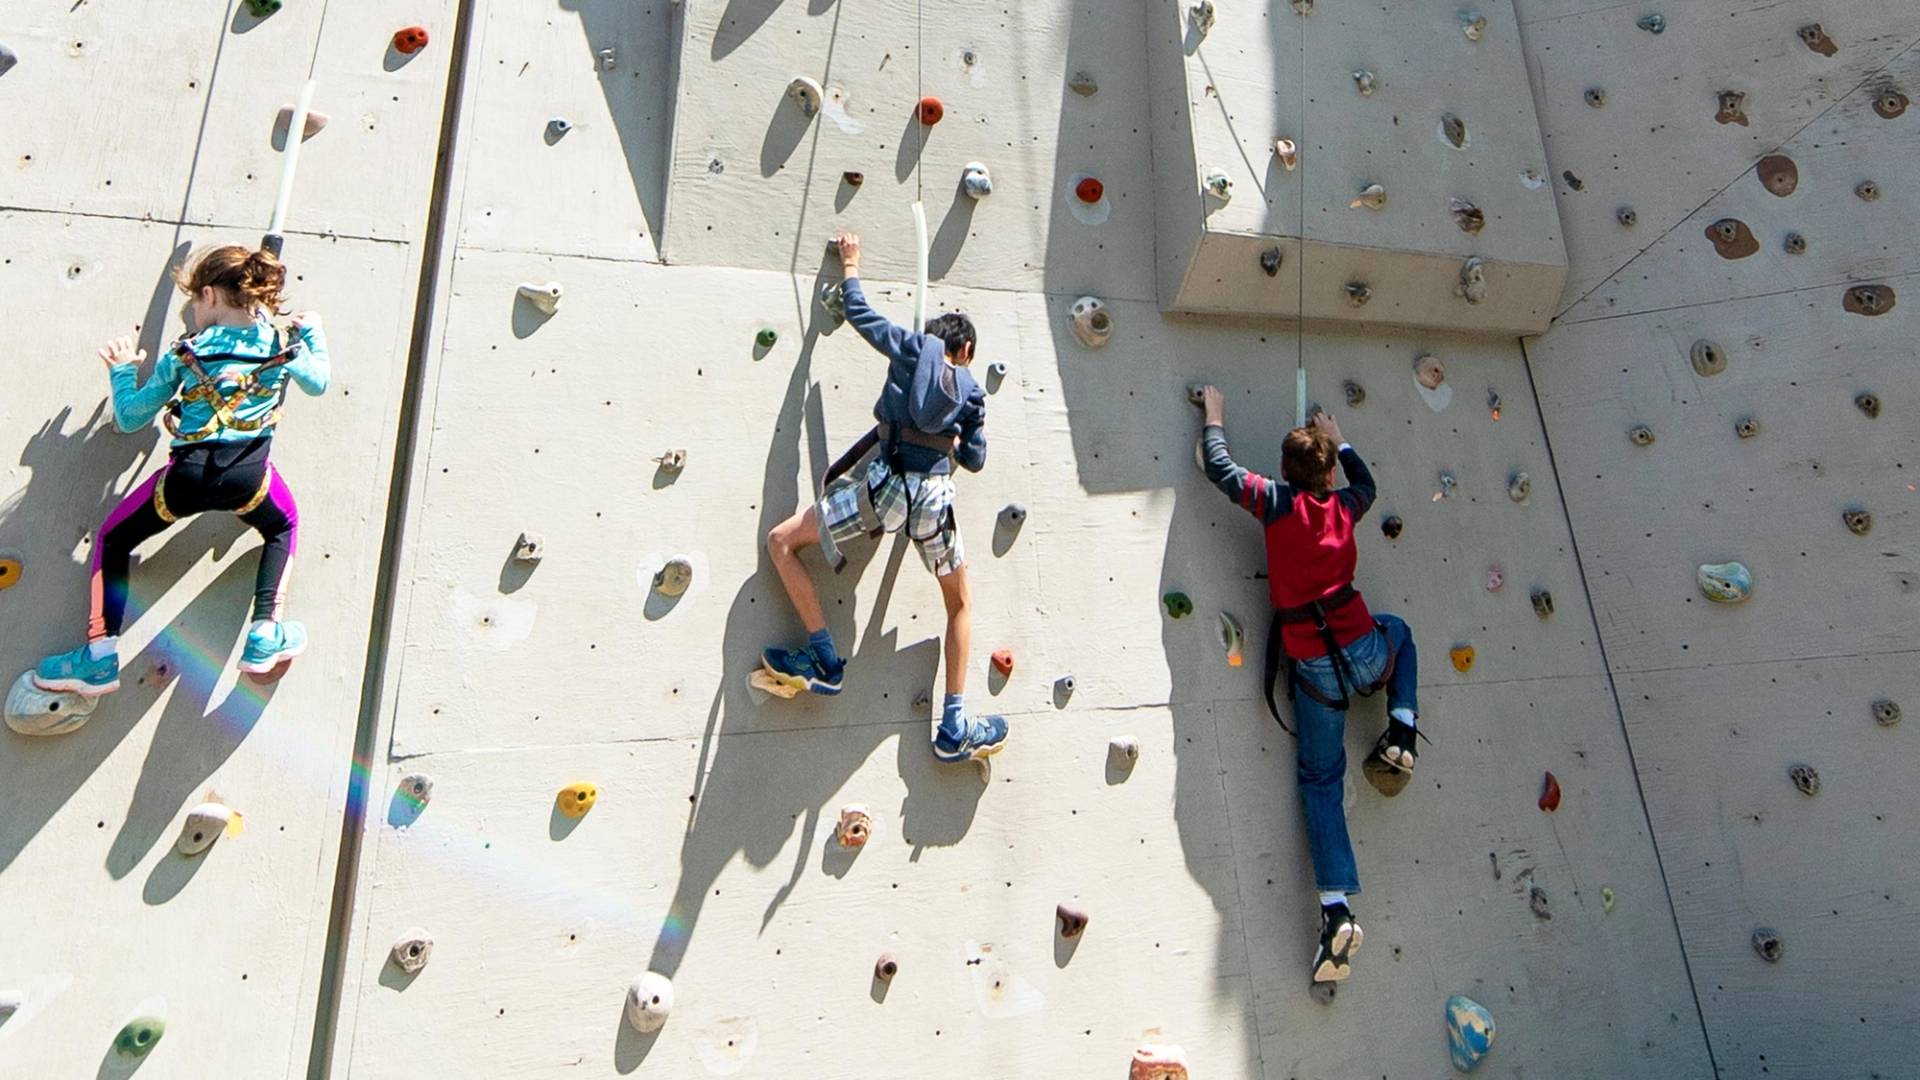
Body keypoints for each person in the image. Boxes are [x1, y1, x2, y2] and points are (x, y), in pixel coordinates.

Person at [1195, 385, 1420, 985]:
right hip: (1365, 649)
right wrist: (1341, 440)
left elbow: (1219, 469)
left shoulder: (1275, 503)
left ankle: (1336, 908)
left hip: (1315, 669)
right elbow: (1367, 484)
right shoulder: (1346, 506)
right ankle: (1402, 726)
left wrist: (1215, 416)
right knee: (1399, 632)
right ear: (1325, 475)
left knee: (1321, 782)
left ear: (1286, 472)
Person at [32, 245, 330, 696]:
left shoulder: (184, 353)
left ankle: (97, 657)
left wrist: (122, 370)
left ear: (209, 295)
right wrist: (314, 336)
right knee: (281, 525)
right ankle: (265, 633)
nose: (191, 311)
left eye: (192, 301)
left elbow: (131, 417)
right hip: (249, 480)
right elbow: (319, 381)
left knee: (114, 540)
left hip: (183, 480)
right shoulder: (279, 344)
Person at [762, 232, 1008, 763]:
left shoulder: (908, 346)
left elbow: (859, 312)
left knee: (783, 542)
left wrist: (850, 262)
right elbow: (976, 460)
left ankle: (824, 661)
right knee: (959, 605)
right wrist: (954, 439)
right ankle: (953, 727)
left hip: (883, 493)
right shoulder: (970, 392)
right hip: (933, 505)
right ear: (964, 351)